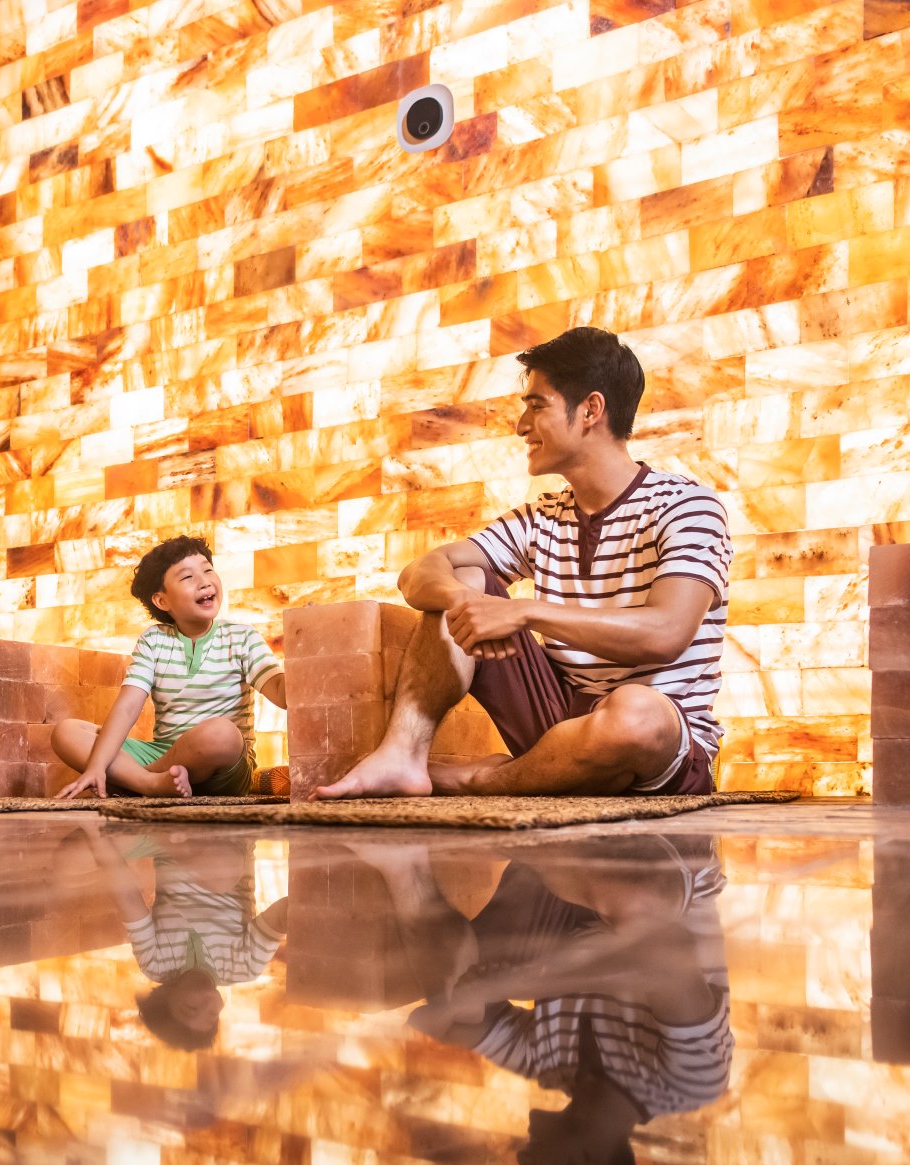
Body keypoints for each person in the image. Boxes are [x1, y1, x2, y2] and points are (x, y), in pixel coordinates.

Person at [316, 327, 732, 800]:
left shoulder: (688, 505)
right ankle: (403, 758)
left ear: (591, 410)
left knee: (635, 714)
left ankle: (484, 779)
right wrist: (466, 601)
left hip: (656, 739)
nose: (520, 425)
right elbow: (417, 575)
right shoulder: (542, 519)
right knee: (467, 577)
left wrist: (525, 611)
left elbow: (665, 634)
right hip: (559, 724)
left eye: (536, 406)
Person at [364, 835, 731, 1165]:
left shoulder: (549, 1066)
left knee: (454, 994)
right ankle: (509, 833)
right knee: (636, 909)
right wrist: (533, 981)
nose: (522, 1159)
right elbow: (664, 957)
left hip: (569, 875)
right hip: (664, 863)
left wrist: (459, 1003)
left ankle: (402, 862)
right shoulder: (693, 1083)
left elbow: (433, 1023)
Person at [54, 536, 286, 798]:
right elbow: (128, 706)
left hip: (223, 767)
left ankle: (137, 780)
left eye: (208, 570)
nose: (204, 581)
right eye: (188, 577)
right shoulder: (154, 640)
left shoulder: (242, 637)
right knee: (67, 732)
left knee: (222, 733)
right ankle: (152, 785)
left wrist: (305, 657)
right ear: (162, 601)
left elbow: (280, 690)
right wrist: (95, 766)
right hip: (164, 752)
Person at [82, 829, 287, 1051]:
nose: (207, 1005)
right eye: (211, 1015)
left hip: (167, 847)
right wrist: (302, 932)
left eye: (191, 1008)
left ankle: (165, 829)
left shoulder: (155, 964)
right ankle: (169, 833)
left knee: (70, 861)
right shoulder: (244, 967)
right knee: (222, 873)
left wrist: (94, 835)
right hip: (227, 844)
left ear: (166, 997)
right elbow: (282, 913)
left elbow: (129, 899)